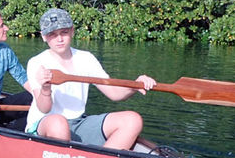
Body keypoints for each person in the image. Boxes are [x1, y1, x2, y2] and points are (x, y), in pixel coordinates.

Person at [25, 8, 155, 150]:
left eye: (64, 32)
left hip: (79, 122)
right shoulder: (36, 63)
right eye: (52, 34)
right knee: (59, 123)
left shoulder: (85, 58)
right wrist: (45, 88)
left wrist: (135, 85)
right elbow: (44, 108)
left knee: (133, 120)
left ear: (72, 31)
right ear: (43, 37)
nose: (60, 39)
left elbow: (114, 93)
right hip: (45, 124)